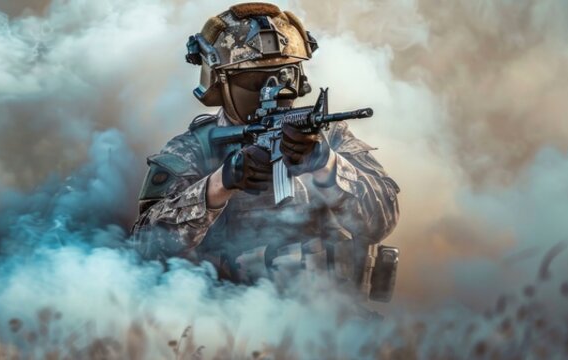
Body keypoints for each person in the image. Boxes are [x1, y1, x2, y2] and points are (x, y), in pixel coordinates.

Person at [131, 2, 400, 297]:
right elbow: (146, 248)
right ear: (221, 83)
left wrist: (327, 165)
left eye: (285, 75)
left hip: (330, 317)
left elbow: (381, 222)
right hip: (227, 320)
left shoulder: (329, 137)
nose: (272, 89)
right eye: (253, 80)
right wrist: (220, 184)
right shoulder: (195, 150)